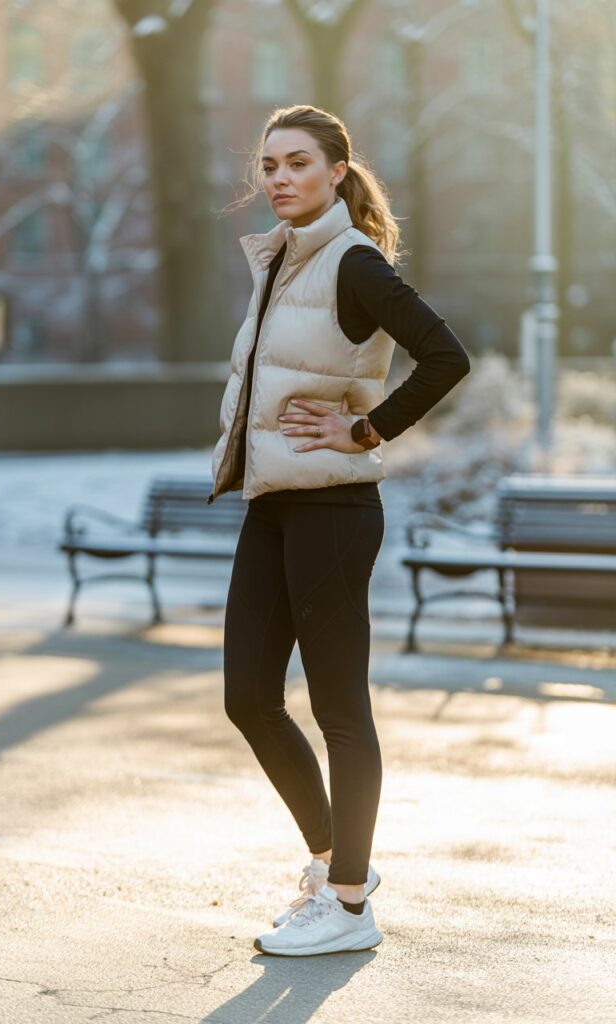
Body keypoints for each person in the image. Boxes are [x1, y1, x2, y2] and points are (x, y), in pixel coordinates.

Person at [208, 104, 471, 957]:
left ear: (335, 173)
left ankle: (351, 908)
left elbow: (445, 356)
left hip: (332, 511)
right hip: (274, 503)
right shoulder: (281, 262)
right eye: (269, 165)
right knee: (247, 696)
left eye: (295, 163)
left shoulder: (352, 262)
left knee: (339, 709)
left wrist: (366, 430)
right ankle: (333, 862)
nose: (277, 178)